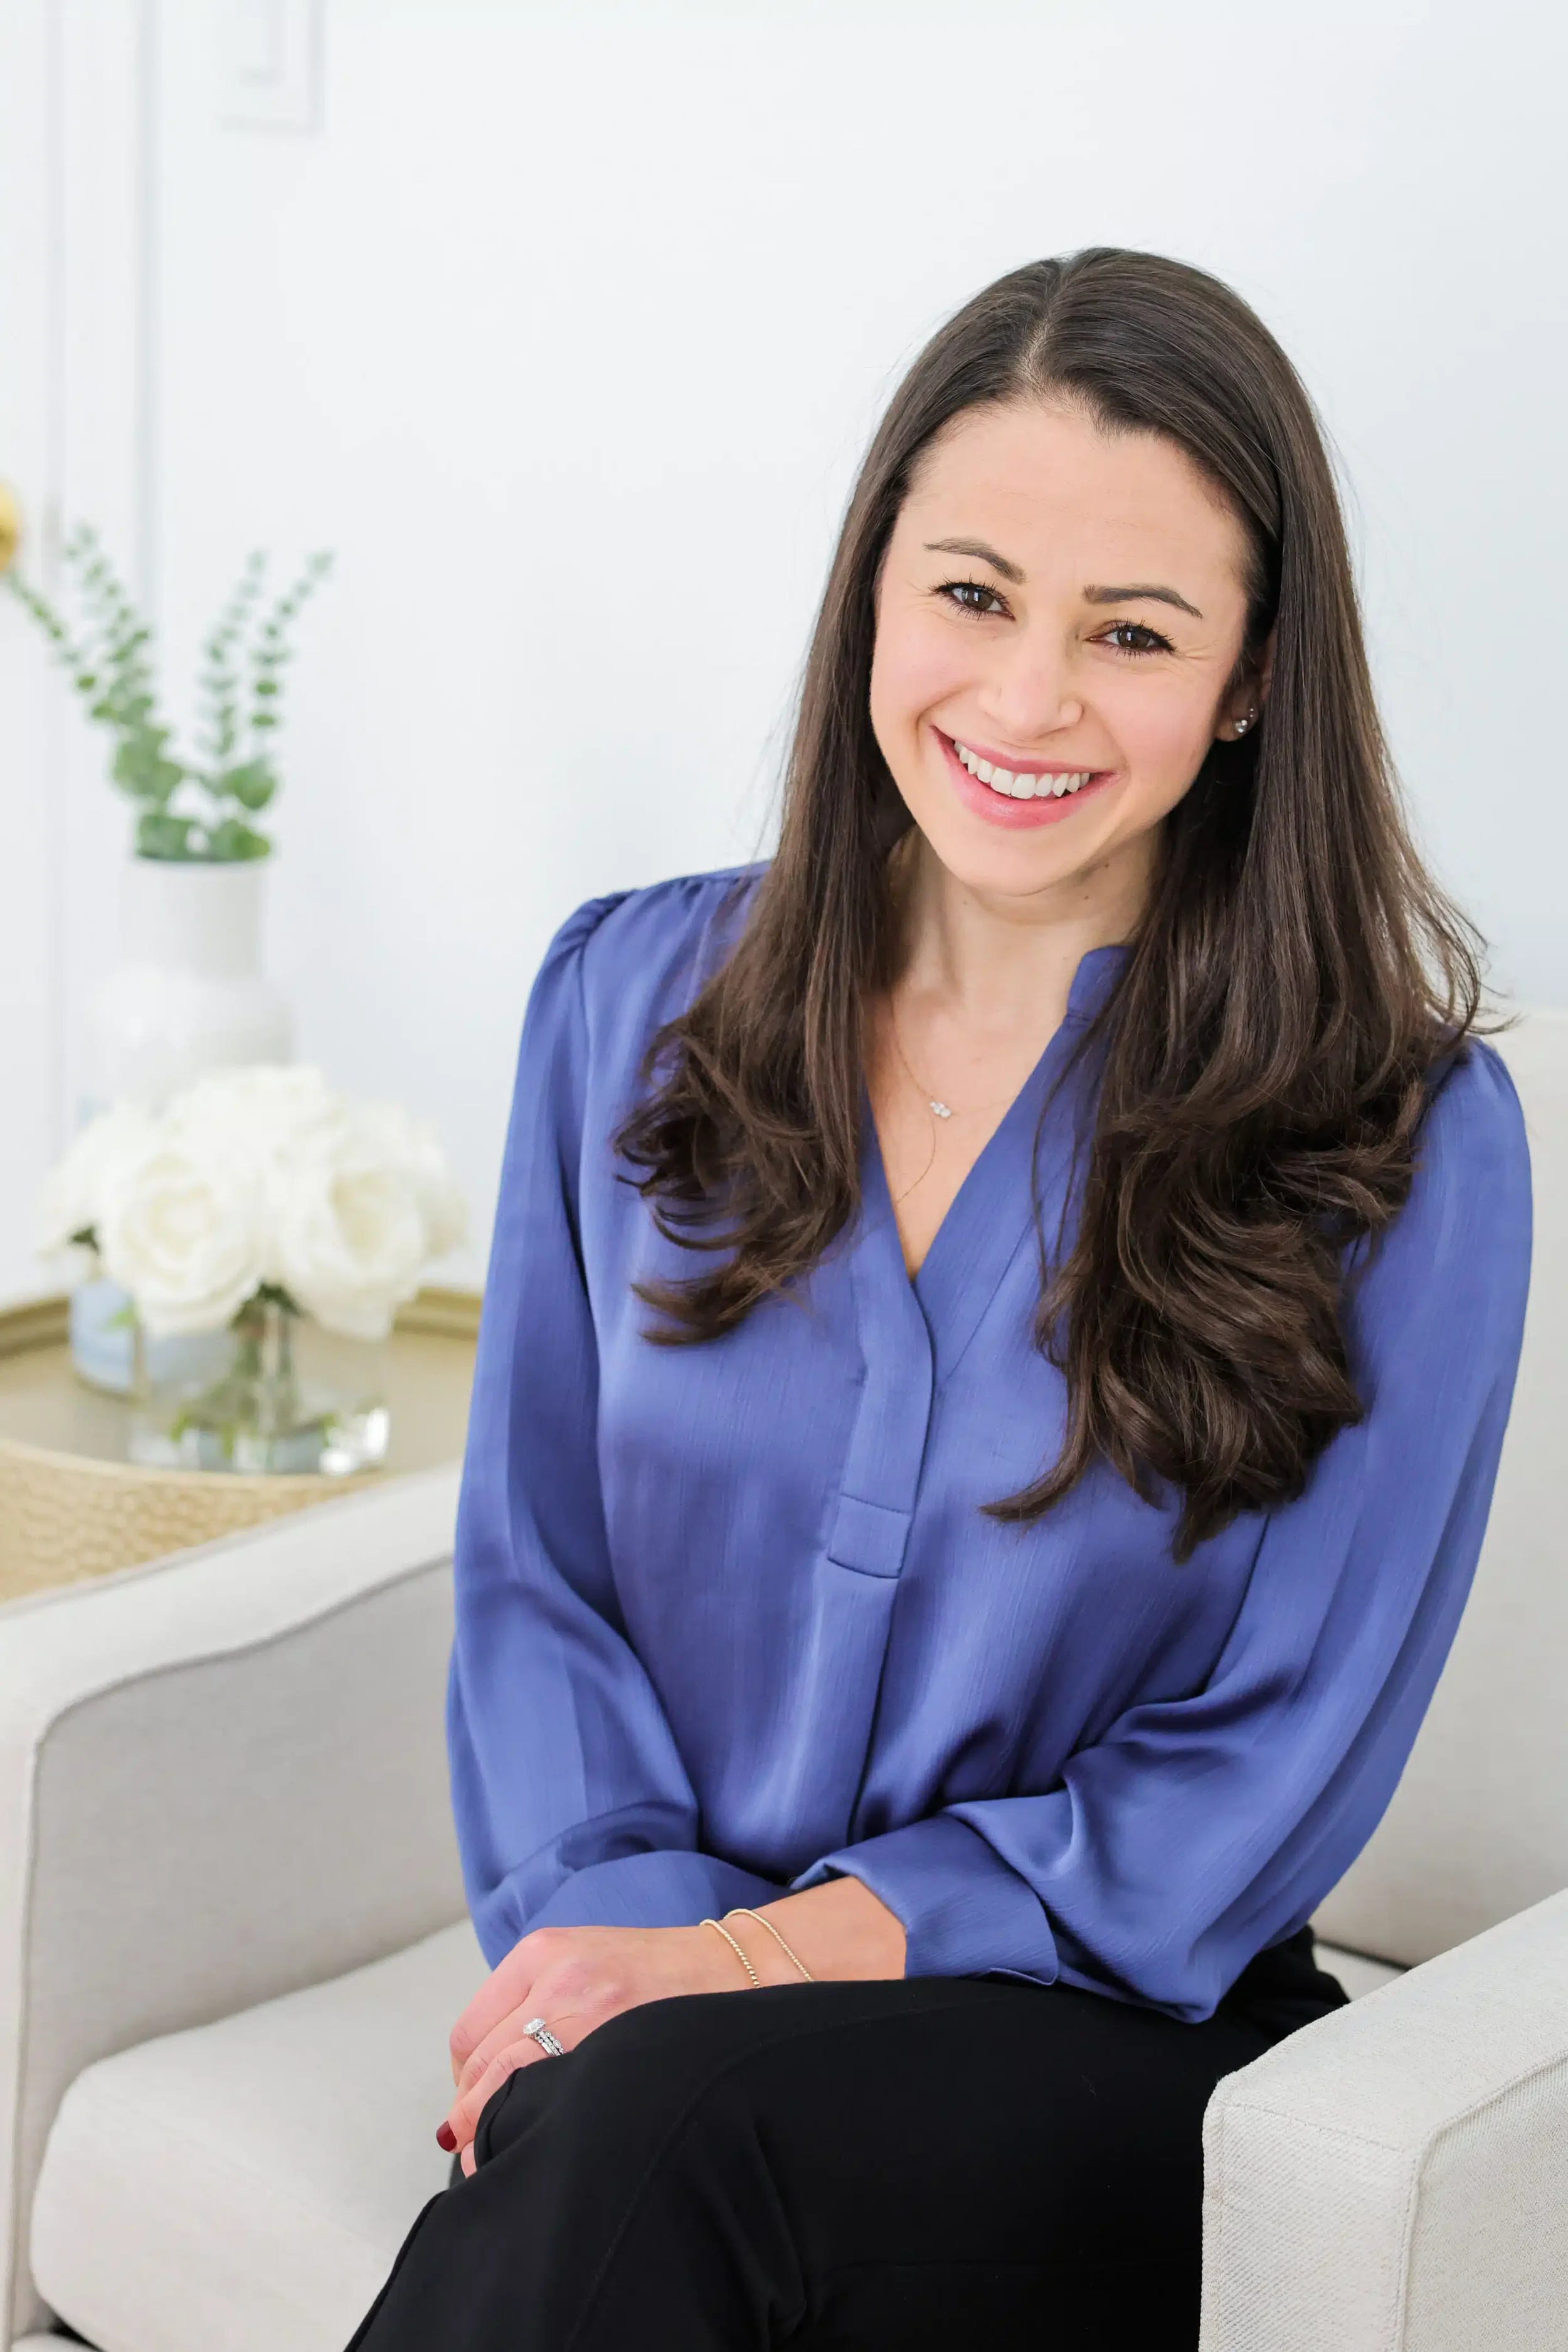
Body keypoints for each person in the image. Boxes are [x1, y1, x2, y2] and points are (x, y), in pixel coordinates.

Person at [346, 248, 1531, 2351]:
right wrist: (625, 1939)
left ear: (1249, 678)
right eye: (970, 595)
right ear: (871, 593)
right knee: (637, 2118)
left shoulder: (1403, 1142)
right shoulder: (622, 1002)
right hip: (653, 1991)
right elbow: (533, 1578)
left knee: (658, 2128)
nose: (1024, 699)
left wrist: (729, 1973)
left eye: (1132, 632)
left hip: (1099, 2025)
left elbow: (1267, 1759)